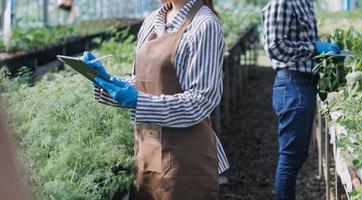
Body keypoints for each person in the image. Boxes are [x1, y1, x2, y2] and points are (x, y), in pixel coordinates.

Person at [81, 0, 229, 199]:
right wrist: (107, 80)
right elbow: (142, 81)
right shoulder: (152, 20)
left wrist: (139, 102)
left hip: (184, 154)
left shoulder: (204, 25)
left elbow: (201, 100)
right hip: (148, 148)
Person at [261, 0, 341, 199]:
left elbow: (302, 40)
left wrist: (324, 51)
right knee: (291, 158)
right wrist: (314, 48)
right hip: (292, 83)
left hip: (304, 83)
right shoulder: (282, 2)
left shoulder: (303, 2)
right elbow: (275, 47)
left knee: (297, 155)